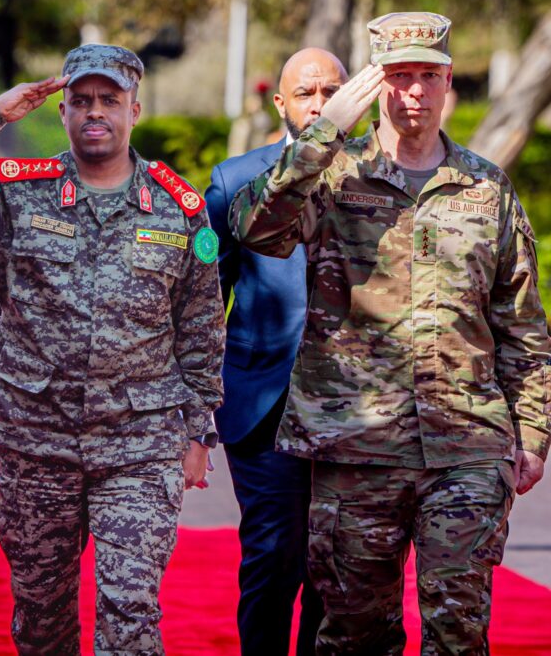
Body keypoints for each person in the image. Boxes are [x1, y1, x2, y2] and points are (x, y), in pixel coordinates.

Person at [230, 12, 551, 654]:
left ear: (447, 82)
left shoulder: (487, 188)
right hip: (356, 448)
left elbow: (520, 319)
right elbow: (258, 228)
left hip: (467, 444)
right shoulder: (333, 172)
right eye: (399, 76)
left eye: (426, 76)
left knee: (458, 630)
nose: (413, 91)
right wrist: (324, 132)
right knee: (354, 633)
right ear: (378, 85)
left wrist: (534, 430)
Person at [0, 44, 225, 654]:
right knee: (42, 618)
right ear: (65, 110)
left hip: (140, 444)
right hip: (36, 440)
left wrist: (198, 431)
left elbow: (201, 329)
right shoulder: (16, 195)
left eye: (108, 101)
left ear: (135, 109)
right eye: (80, 102)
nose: (93, 113)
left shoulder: (181, 211)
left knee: (130, 614)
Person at [205, 48, 344, 655]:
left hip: (355, 407)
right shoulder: (235, 180)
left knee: (337, 567)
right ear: (280, 103)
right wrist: (195, 409)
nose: (318, 104)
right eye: (306, 92)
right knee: (274, 552)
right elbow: (203, 301)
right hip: (263, 402)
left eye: (330, 91)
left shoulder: (377, 177)